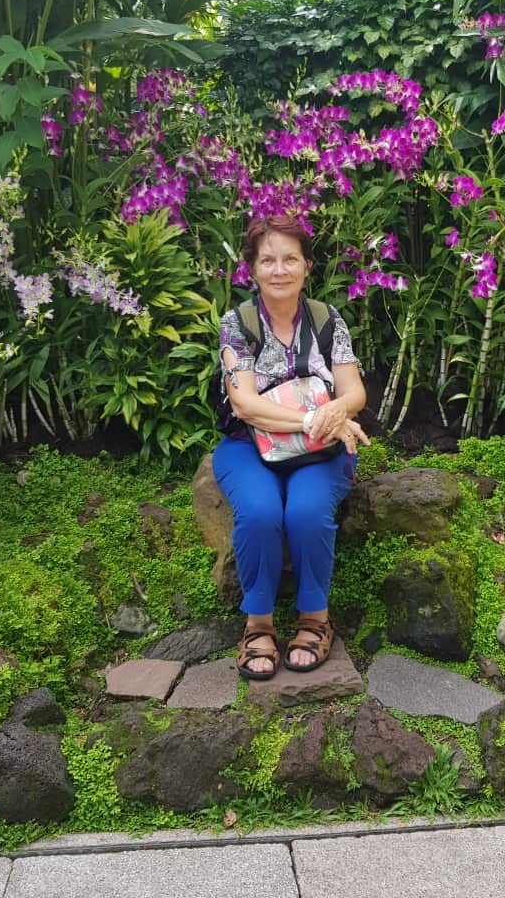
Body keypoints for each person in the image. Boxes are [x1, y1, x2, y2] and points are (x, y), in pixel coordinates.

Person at [212, 214, 370, 680]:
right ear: (252, 269)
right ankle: (258, 625)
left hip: (319, 450)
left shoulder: (326, 318)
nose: (279, 270)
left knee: (305, 512)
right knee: (259, 512)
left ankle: (315, 619)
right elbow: (244, 404)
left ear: (306, 266)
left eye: (290, 259)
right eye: (268, 261)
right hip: (248, 444)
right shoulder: (237, 323)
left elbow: (354, 392)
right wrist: (312, 420)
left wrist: (338, 411)